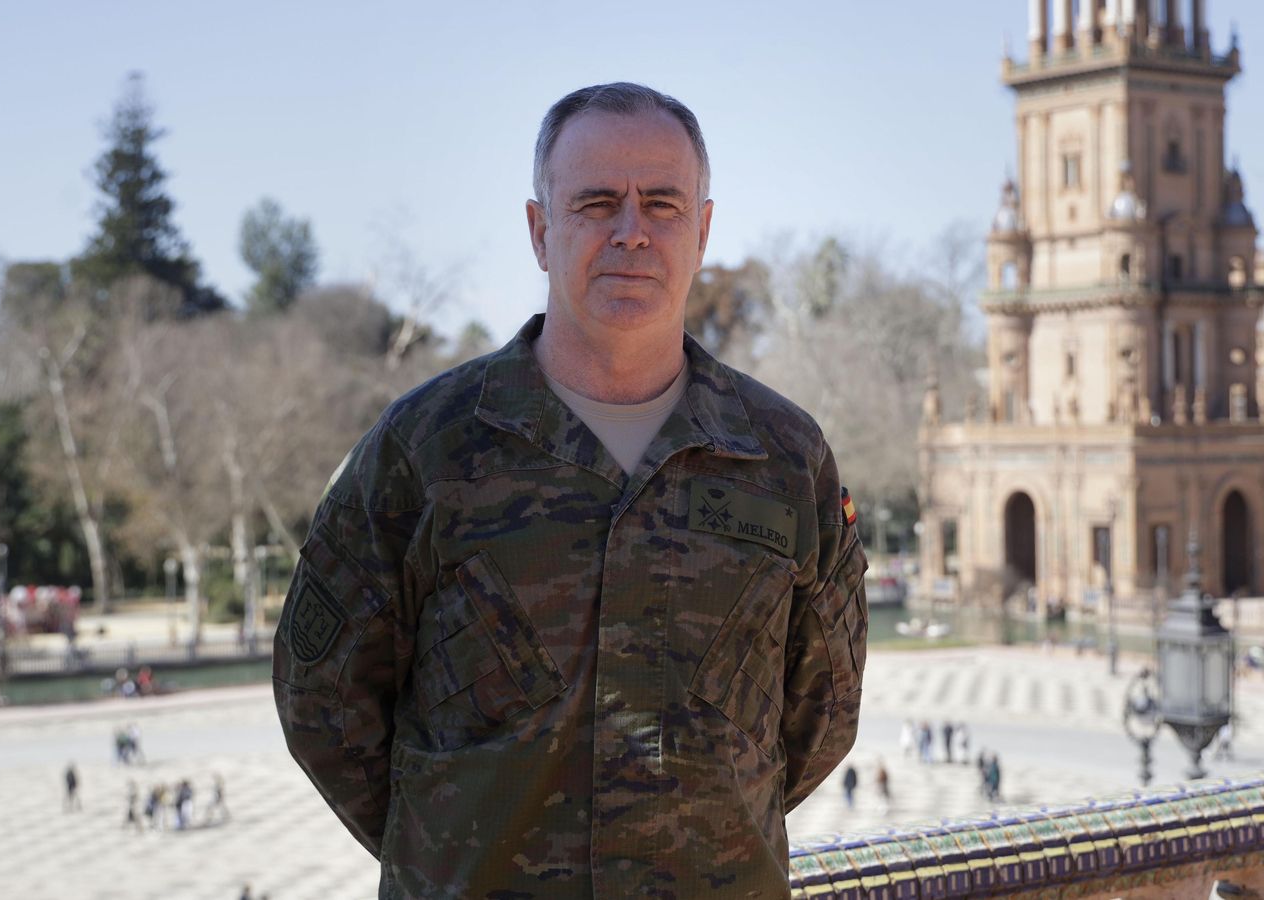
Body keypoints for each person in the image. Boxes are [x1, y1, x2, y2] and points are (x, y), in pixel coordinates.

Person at [273, 82, 869, 898]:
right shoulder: (427, 450)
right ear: (539, 230)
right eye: (595, 203)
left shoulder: (786, 459)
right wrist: (458, 848)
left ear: (701, 231)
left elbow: (820, 715)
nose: (632, 232)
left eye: (662, 204)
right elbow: (324, 705)